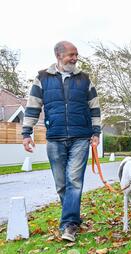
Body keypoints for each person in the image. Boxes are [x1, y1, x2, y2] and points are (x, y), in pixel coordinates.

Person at [22, 41, 101, 242]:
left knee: (74, 180)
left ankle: (69, 225)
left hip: (81, 137)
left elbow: (94, 108)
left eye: (76, 54)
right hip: (55, 137)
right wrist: (26, 133)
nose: (75, 58)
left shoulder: (84, 79)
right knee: (61, 184)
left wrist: (96, 132)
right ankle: (73, 218)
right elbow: (33, 107)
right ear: (58, 55)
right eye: (71, 55)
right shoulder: (42, 78)